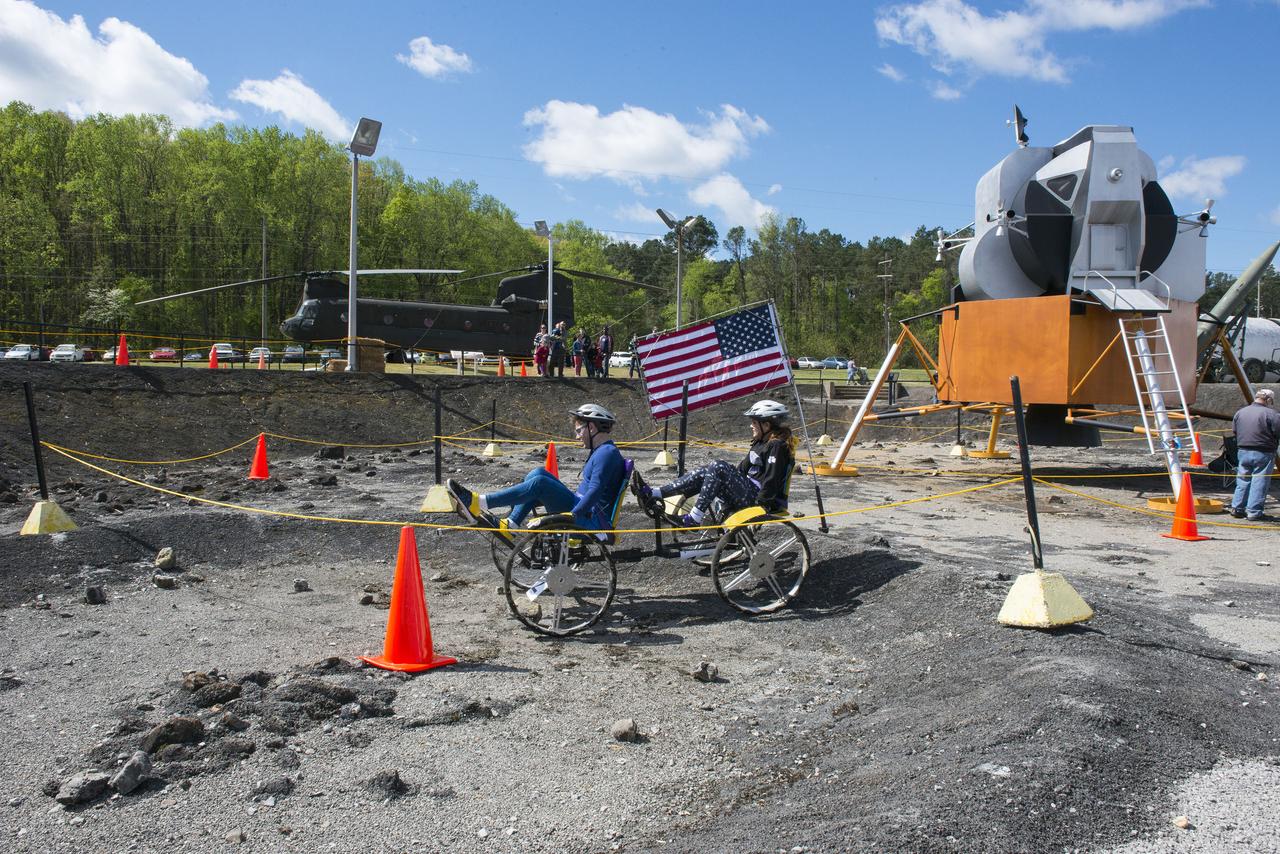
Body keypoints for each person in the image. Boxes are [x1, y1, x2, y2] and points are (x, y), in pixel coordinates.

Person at [446, 403, 626, 543]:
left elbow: (595, 490)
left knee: (540, 483)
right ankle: (511, 525)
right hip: (585, 511)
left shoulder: (606, 453)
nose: (577, 436)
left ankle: (480, 502)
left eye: (579, 430)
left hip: (589, 520)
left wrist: (574, 515)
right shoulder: (603, 451)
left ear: (592, 428)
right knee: (538, 473)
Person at [631, 400, 796, 525]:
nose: (751, 426)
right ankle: (654, 493)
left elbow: (771, 481)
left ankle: (694, 517)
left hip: (759, 500)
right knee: (708, 470)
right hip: (747, 492)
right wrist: (724, 476)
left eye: (754, 422)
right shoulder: (761, 443)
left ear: (766, 425)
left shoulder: (777, 446)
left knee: (718, 466)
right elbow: (741, 471)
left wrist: (761, 506)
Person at [1229, 388, 1280, 520]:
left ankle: (1237, 508)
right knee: (1260, 481)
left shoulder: (1240, 412)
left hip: (1243, 450)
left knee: (1243, 479)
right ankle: (1254, 511)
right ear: (1268, 400)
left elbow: (1235, 431)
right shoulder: (1272, 414)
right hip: (1264, 451)